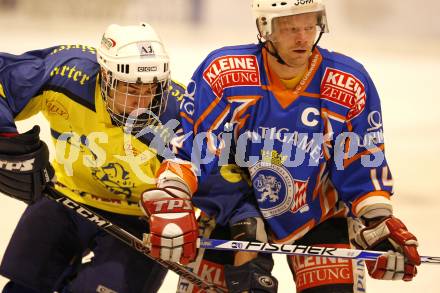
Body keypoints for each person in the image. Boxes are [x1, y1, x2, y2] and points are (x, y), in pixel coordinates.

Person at [139, 1, 422, 292]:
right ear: (266, 28)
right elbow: (192, 151)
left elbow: (361, 162)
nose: (302, 38)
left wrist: (377, 221)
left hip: (318, 213)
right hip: (235, 207)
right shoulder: (225, 72)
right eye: (290, 29)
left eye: (309, 27)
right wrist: (173, 199)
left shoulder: (347, 81)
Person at [0, 22, 186, 293]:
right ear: (105, 76)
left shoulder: (177, 113)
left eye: (150, 90)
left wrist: (236, 226)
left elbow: (218, 175)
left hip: (138, 220)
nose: (141, 103)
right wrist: (4, 138)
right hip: (65, 196)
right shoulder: (66, 74)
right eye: (130, 90)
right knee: (21, 288)